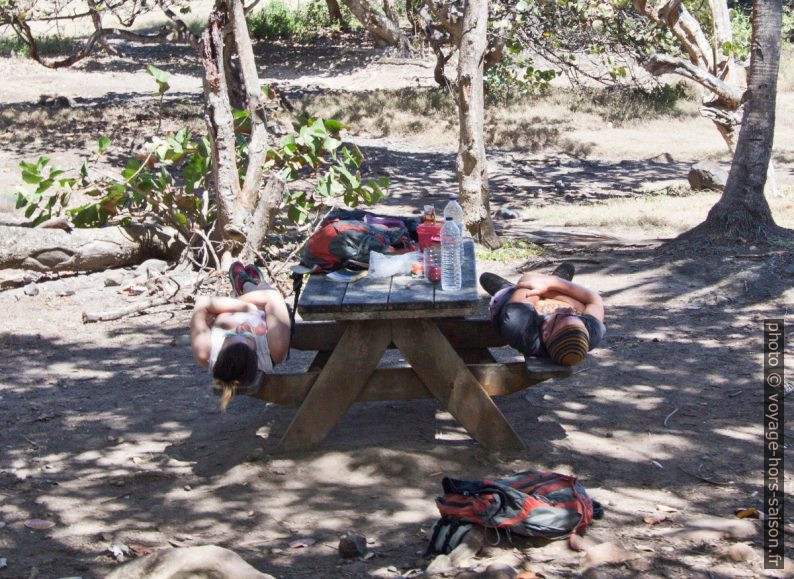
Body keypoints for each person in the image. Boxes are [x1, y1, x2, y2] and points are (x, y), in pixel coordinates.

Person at [190, 262, 291, 409]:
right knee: (266, 290)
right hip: (258, 305)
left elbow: (202, 302)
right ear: (255, 354)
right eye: (248, 334)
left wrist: (244, 307)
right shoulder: (274, 350)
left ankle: (245, 286)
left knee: (262, 296)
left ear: (221, 351)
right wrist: (249, 306)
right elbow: (273, 298)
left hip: (246, 306)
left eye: (229, 335)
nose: (240, 328)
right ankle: (252, 284)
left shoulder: (204, 351)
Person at [480, 263, 606, 366]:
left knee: (486, 278)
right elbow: (594, 300)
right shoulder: (590, 333)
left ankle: (506, 287)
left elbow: (528, 280)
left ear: (545, 334)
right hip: (542, 297)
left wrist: (549, 287)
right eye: (578, 316)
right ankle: (557, 279)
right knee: (567, 269)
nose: (570, 310)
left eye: (564, 316)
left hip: (509, 298)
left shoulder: (519, 328)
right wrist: (552, 284)